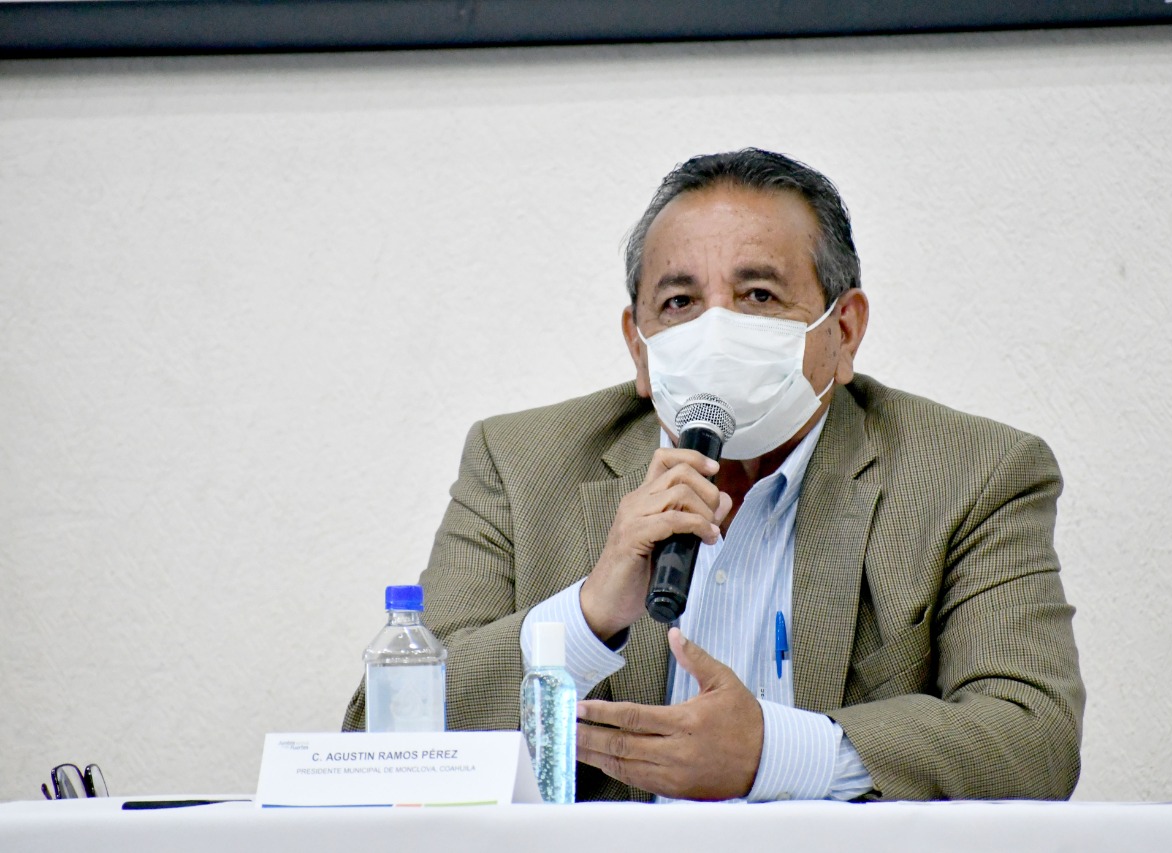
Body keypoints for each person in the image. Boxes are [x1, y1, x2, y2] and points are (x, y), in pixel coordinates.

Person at [343, 148, 1085, 803]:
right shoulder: (519, 462)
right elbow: (383, 735)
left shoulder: (974, 472)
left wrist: (777, 753)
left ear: (844, 330)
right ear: (639, 346)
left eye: (759, 295)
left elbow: (1034, 736)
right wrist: (588, 615)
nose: (716, 331)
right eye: (680, 302)